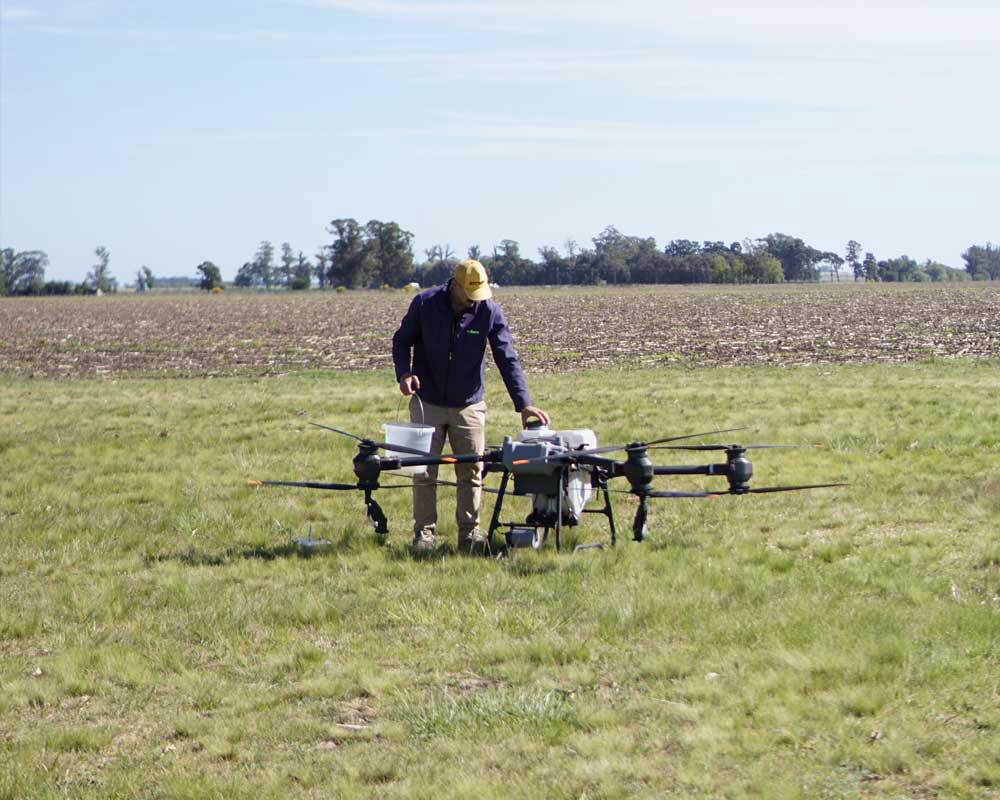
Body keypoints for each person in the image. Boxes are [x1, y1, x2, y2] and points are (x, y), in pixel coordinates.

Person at [392, 259, 549, 552]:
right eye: (468, 294)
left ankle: (470, 534)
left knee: (472, 471)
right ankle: (424, 535)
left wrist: (523, 404)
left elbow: (507, 357)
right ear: (455, 285)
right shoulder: (425, 304)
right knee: (424, 470)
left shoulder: (488, 310)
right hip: (427, 403)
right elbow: (401, 341)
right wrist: (405, 373)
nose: (473, 301)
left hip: (469, 405)